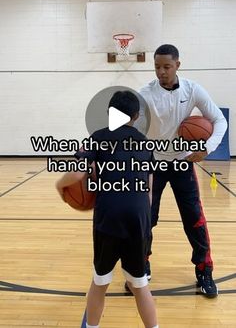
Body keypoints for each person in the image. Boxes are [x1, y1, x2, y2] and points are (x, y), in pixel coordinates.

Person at [56, 91, 159, 328]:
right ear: (136, 116)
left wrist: (60, 185)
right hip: (138, 217)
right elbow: (149, 192)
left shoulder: (97, 137)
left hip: (109, 216)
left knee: (100, 282)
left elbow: (78, 173)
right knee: (140, 285)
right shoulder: (145, 143)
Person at [137, 44, 227, 298]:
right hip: (154, 162)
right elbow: (132, 127)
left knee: (194, 219)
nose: (161, 72)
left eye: (166, 66)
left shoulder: (192, 89)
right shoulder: (145, 94)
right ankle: (141, 265)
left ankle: (204, 271)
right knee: (145, 218)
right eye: (157, 67)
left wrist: (207, 147)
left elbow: (219, 120)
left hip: (182, 162)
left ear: (178, 65)